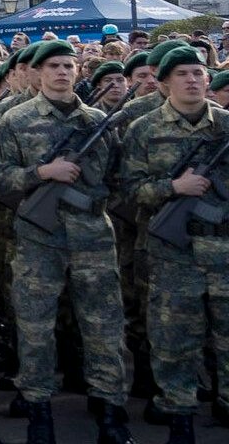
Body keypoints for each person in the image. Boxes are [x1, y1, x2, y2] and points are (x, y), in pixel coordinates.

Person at [0, 39, 133, 444]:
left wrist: (92, 196)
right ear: (37, 72)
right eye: (53, 66)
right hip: (39, 240)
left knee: (104, 327)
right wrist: (42, 173)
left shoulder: (98, 121)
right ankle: (38, 412)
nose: (61, 72)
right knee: (35, 328)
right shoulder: (15, 121)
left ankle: (110, 412)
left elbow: (120, 181)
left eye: (69, 66)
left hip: (92, 238)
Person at [119, 44, 226, 443]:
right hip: (172, 255)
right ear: (164, 84)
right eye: (182, 74)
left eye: (198, 73)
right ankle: (179, 414)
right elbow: (126, 191)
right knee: (173, 341)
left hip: (224, 252)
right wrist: (173, 187)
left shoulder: (227, 126)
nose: (193, 80)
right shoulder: (143, 130)